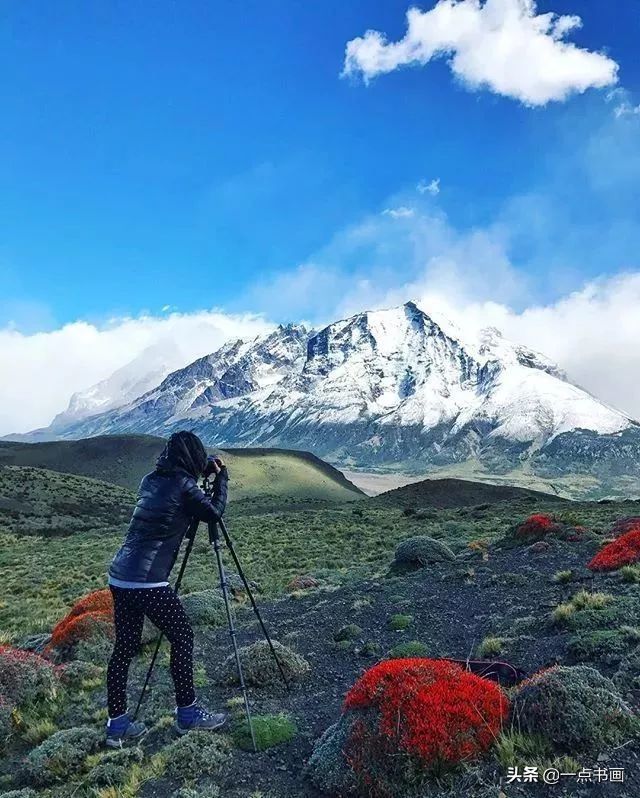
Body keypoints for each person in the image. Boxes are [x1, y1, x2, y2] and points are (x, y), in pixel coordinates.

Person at [105, 430, 229, 748]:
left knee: (125, 648)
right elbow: (213, 511)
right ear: (193, 457)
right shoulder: (184, 485)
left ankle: (116, 724)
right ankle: (188, 714)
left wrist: (202, 471)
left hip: (120, 576)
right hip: (149, 581)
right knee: (183, 636)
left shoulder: (150, 480)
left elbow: (174, 499)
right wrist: (222, 477)